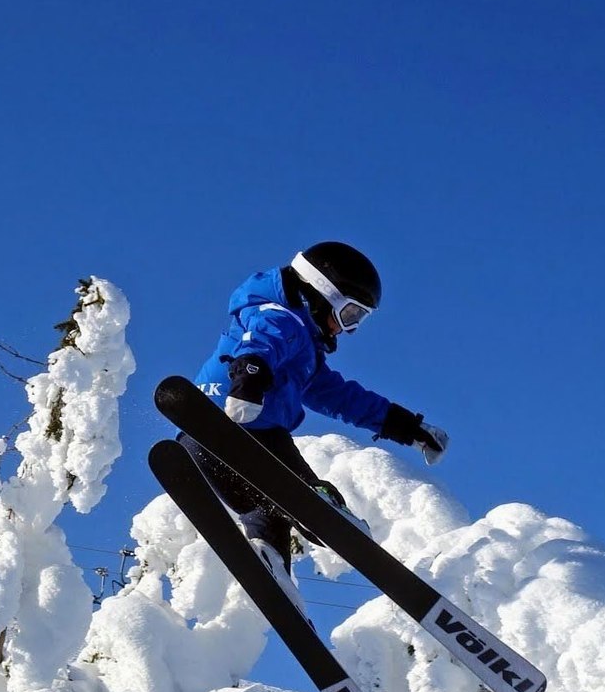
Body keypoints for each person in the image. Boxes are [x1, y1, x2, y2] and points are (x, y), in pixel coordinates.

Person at [179, 241, 448, 595]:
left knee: (267, 513)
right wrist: (249, 381)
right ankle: (321, 507)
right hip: (240, 428)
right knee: (293, 484)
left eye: (358, 320)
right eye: (349, 315)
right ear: (319, 294)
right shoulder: (282, 318)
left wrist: (404, 427)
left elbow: (343, 398)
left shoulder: (306, 356)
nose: (347, 329)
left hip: (203, 442)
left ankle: (270, 564)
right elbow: (259, 345)